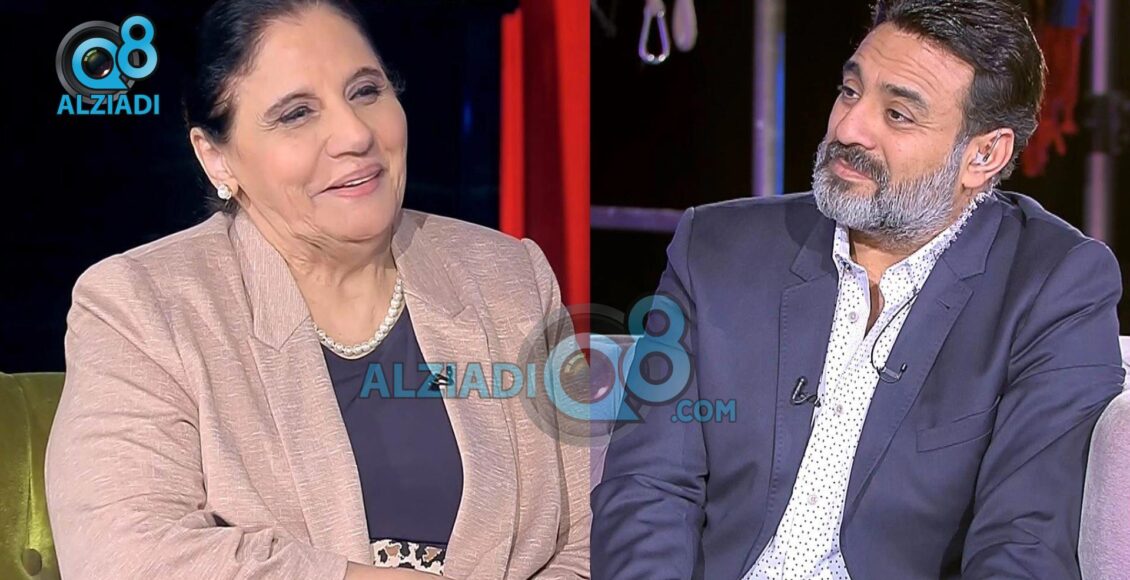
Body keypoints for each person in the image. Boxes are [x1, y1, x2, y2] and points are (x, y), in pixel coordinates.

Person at [44, 1, 589, 578]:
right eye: (297, 114)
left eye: (366, 91)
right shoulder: (141, 306)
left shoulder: (509, 275)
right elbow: (123, 552)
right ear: (216, 158)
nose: (355, 133)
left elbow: (596, 526)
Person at [591, 0, 1124, 578]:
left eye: (897, 114)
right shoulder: (717, 251)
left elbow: (1024, 545)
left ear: (983, 154)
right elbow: (647, 488)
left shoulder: (1053, 288)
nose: (848, 128)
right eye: (850, 91)